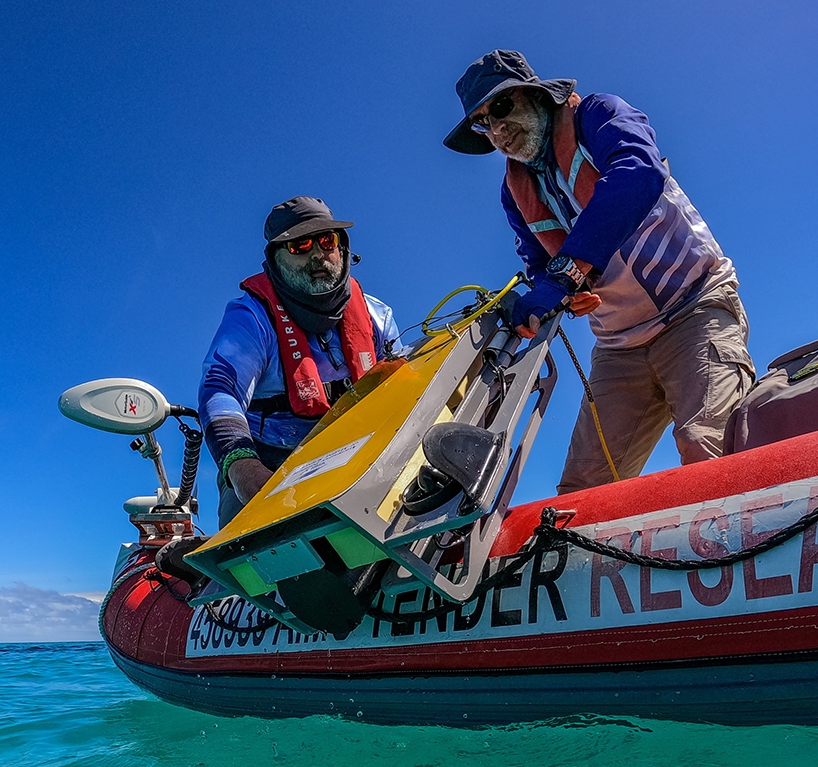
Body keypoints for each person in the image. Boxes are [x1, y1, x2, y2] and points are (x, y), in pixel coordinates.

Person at [445, 50, 756, 492]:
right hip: (619, 348)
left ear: (535, 95)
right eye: (483, 123)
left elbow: (638, 175)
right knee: (581, 489)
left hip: (694, 308)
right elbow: (540, 267)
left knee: (707, 446)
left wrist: (565, 274)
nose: (497, 130)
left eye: (501, 107)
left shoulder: (599, 114)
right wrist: (565, 294)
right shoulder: (514, 191)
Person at [199, 197, 402, 527]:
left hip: (357, 451)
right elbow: (220, 390)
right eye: (300, 245)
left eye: (327, 241)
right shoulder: (251, 316)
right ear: (276, 260)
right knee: (239, 563)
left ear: (342, 247)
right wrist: (240, 464)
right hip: (267, 459)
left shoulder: (378, 316)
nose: (318, 254)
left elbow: (403, 388)